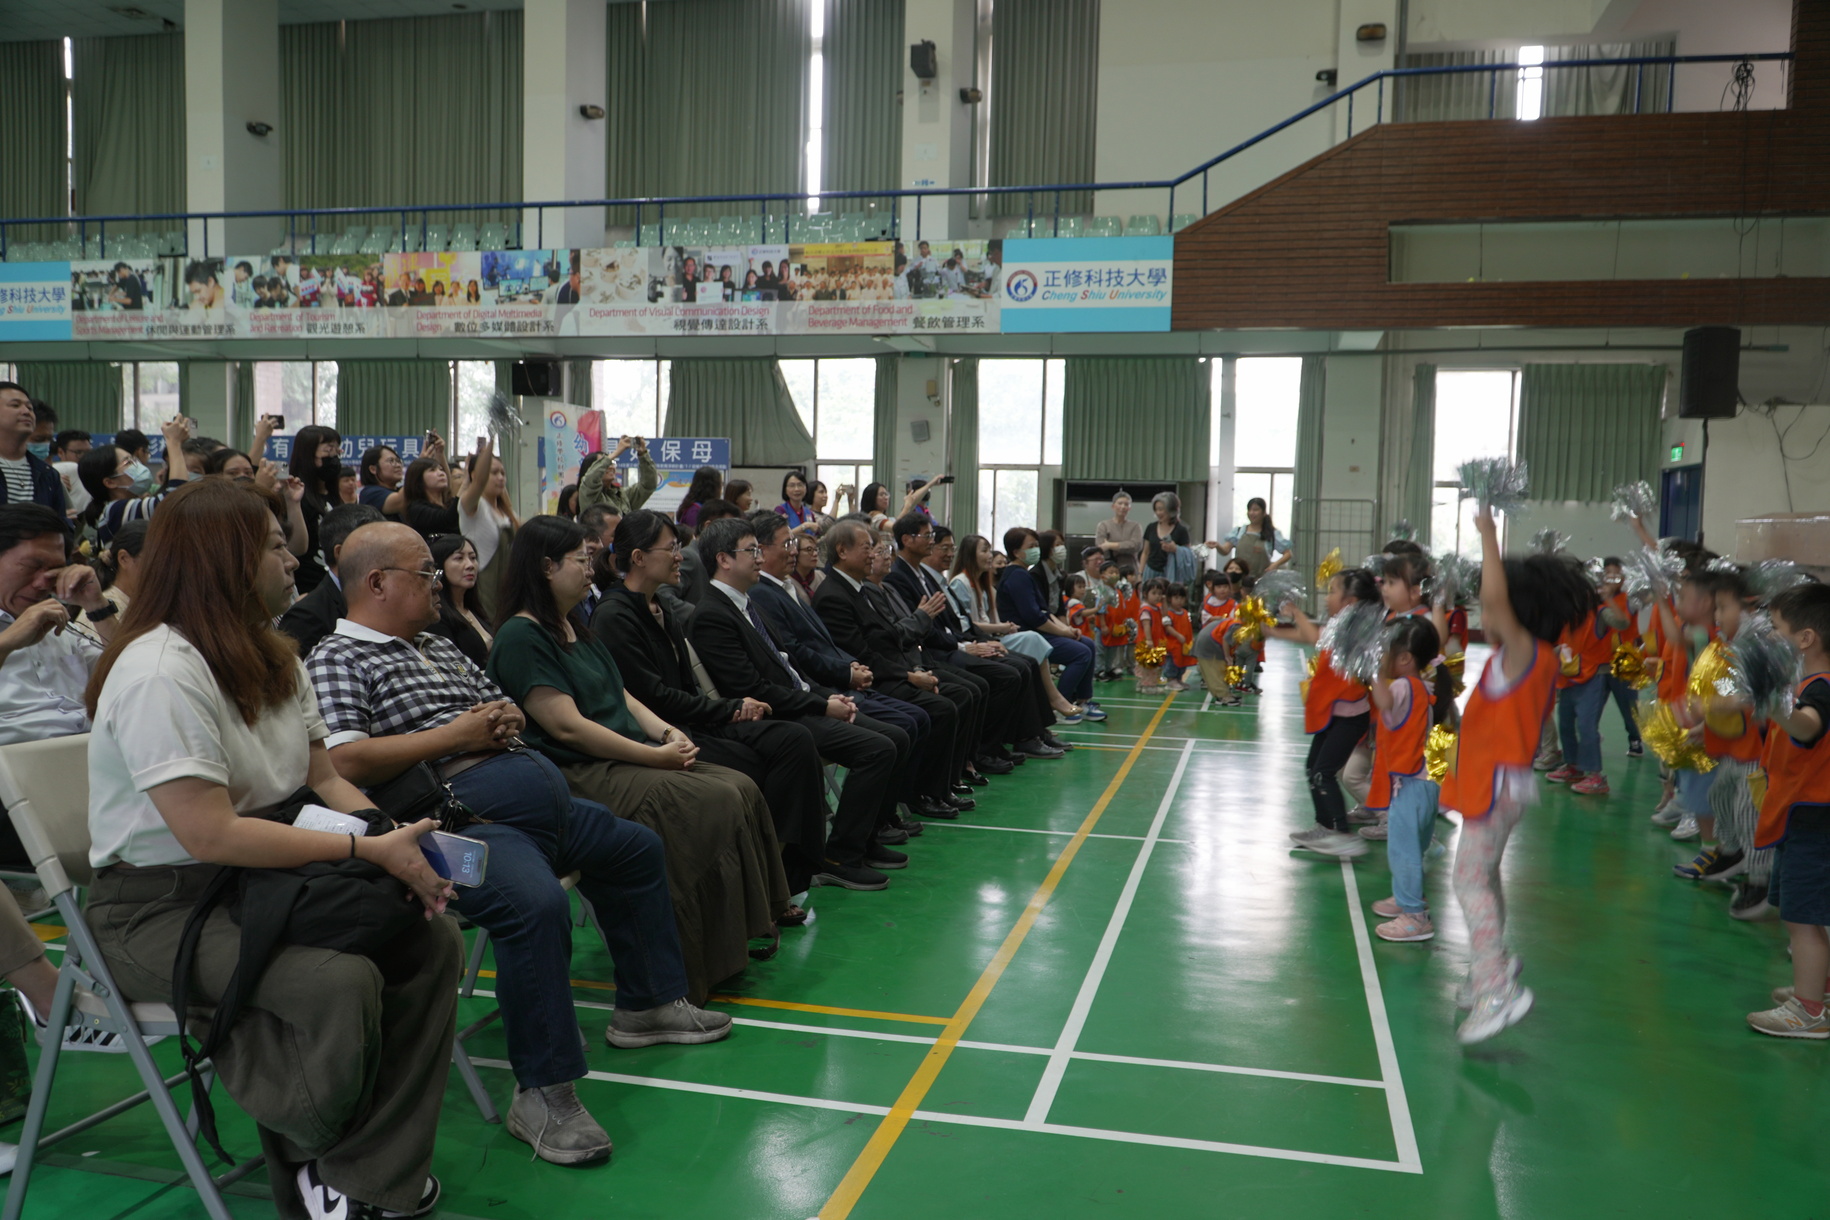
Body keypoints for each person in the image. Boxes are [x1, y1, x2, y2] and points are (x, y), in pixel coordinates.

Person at [83, 480, 461, 1219]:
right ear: (223, 559)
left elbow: (325, 779)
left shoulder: (277, 656)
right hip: (156, 909)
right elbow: (209, 833)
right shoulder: (161, 671)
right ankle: (329, 1164)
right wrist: (362, 855)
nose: (294, 561)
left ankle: (355, 1172)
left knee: (428, 940)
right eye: (276, 546)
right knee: (335, 983)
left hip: (261, 877)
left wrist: (393, 841)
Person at [307, 520, 727, 1166]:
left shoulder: (437, 645)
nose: (438, 583)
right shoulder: (337, 658)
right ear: (377, 582)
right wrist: (457, 736)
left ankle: (645, 1006)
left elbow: (503, 708)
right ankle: (544, 1093)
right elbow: (344, 763)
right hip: (452, 824)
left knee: (635, 847)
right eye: (425, 573)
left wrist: (501, 718)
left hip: (535, 804)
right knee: (536, 905)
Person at [485, 514, 791, 998]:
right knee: (705, 802)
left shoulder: (574, 626)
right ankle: (692, 959)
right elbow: (568, 728)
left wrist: (668, 734)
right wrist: (654, 758)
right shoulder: (522, 637)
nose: (591, 569)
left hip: (624, 757)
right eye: (580, 559)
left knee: (739, 785)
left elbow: (622, 696)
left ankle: (735, 936)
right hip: (580, 771)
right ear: (546, 567)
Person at [684, 514, 914, 886]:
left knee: (897, 737)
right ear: (723, 559)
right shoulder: (712, 614)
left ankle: (864, 838)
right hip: (776, 717)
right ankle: (839, 856)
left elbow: (789, 667)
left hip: (800, 703)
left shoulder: (747, 604)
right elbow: (752, 689)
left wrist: (826, 695)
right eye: (751, 551)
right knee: (878, 749)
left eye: (759, 550)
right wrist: (821, 705)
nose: (760, 558)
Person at [1440, 506, 1593, 1044]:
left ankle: (1495, 987)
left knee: (1468, 880)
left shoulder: (1525, 652)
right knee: (1484, 876)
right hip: (1506, 785)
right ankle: (1493, 963)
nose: (1487, 612)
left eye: (1495, 604)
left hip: (1497, 785)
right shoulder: (1534, 656)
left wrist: (1487, 534)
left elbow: (1495, 602)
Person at [814, 519, 973, 817]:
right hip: (871, 679)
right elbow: (863, 654)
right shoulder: (834, 595)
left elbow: (887, 640)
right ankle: (919, 794)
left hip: (891, 670)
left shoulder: (860, 589)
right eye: (867, 548)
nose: (874, 555)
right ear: (842, 551)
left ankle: (934, 788)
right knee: (939, 709)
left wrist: (914, 670)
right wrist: (910, 676)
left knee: (957, 695)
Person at [1744, 583, 1830, 1038]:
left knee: (1803, 919)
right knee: (1807, 914)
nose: (1770, 636)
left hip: (1814, 822)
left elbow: (1807, 726)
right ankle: (1820, 989)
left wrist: (1773, 702)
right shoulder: (1808, 685)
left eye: (1776, 628)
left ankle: (1809, 1011)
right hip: (1805, 817)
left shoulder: (1821, 689)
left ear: (1805, 638)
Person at [1270, 567, 1377, 859]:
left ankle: (1341, 833)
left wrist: (1295, 614)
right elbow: (1312, 636)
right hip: (1335, 714)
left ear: (1351, 602)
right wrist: (1275, 629)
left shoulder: (1356, 631)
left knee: (1323, 772)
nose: (1327, 597)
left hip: (1350, 718)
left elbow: (1315, 637)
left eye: (1332, 591)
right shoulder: (1340, 625)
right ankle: (1325, 826)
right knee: (1312, 768)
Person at [1366, 617, 1445, 943]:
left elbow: (1383, 701)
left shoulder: (1402, 686)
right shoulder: (1424, 687)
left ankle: (1415, 916)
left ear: (1404, 658)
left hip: (1410, 784)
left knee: (1402, 851)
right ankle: (1407, 898)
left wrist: (1370, 668)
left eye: (1384, 651)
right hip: (1427, 781)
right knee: (1413, 846)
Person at [997, 527, 1102, 721]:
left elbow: (1046, 611)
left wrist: (1066, 629)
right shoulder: (1018, 576)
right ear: (1016, 552)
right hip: (1027, 635)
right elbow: (1034, 617)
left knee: (1087, 643)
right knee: (1081, 653)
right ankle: (1058, 706)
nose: (1035, 550)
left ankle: (1082, 701)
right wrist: (1063, 633)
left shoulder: (1025, 574)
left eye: (1037, 545)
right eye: (1031, 546)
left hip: (1040, 631)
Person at [276, 503, 384, 657]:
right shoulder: (306, 618)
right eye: (375, 547)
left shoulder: (383, 596)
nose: (386, 555)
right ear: (341, 552)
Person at [75, 416, 195, 547]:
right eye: (128, 462)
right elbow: (177, 500)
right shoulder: (115, 510)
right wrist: (174, 442)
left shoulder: (124, 507)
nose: (137, 465)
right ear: (110, 482)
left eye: (134, 459)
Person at [460, 435, 520, 621]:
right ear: (476, 474)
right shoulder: (472, 507)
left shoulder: (506, 512)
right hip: (483, 592)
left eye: (503, 473)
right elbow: (479, 482)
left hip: (508, 591)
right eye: (494, 473)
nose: (500, 478)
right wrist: (493, 439)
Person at [287, 424, 344, 594]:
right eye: (328, 449)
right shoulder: (295, 496)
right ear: (308, 454)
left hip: (338, 584)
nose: (335, 455)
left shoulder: (333, 496)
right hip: (308, 587)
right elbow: (296, 548)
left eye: (337, 449)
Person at [422, 533, 493, 668]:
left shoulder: (473, 609)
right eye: (459, 558)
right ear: (439, 566)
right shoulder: (437, 616)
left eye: (473, 558)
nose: (470, 565)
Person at [577, 436, 659, 517]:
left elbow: (648, 485)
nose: (611, 467)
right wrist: (617, 452)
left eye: (612, 463)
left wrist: (643, 454)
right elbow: (590, 479)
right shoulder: (588, 494)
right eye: (606, 464)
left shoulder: (622, 495)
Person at [1214, 496, 1291, 578]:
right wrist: (1217, 545)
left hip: (1261, 579)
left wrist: (1275, 564)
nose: (1251, 513)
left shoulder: (1272, 533)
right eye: (1249, 510)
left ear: (1264, 512)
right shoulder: (1239, 531)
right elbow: (1225, 551)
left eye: (1255, 510)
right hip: (1240, 579)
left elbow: (1288, 554)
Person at [400, 456, 459, 540]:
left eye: (441, 469)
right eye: (432, 470)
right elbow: (448, 519)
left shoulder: (450, 503)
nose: (441, 473)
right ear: (418, 478)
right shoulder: (416, 509)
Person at [1142, 491, 1194, 586]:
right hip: (1150, 571)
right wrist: (1140, 573)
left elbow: (1189, 554)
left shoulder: (1181, 530)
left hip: (1172, 572)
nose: (1158, 513)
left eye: (1161, 509)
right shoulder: (1151, 527)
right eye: (1156, 509)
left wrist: (1175, 549)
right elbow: (1145, 552)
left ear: (1171, 510)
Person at [1135, 578, 1171, 693]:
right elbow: (1146, 625)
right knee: (1149, 664)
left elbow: (1165, 614)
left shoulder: (1156, 608)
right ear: (1146, 594)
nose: (1157, 596)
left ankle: (1143, 684)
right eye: (1154, 593)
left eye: (1160, 593)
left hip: (1156, 640)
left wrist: (1164, 602)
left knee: (1152, 664)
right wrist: (1149, 640)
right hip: (1148, 642)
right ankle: (1149, 686)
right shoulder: (1146, 609)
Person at [1095, 492, 1143, 573]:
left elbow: (1135, 546)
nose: (1123, 507)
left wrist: (1110, 545)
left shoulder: (1135, 526)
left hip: (1131, 568)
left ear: (1129, 508)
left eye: (1126, 504)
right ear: (1113, 506)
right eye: (1120, 503)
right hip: (1109, 568)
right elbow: (1101, 547)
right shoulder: (1103, 525)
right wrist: (1124, 546)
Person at [357, 444, 406, 516]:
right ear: (373, 469)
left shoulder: (398, 490)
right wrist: (418, 468)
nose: (398, 465)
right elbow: (401, 501)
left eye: (398, 461)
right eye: (391, 461)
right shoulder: (370, 493)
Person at [777, 470, 819, 535]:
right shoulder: (780, 510)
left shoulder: (809, 513)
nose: (796, 489)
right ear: (785, 489)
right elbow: (781, 536)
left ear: (806, 488)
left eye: (800, 485)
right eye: (792, 485)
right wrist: (805, 526)